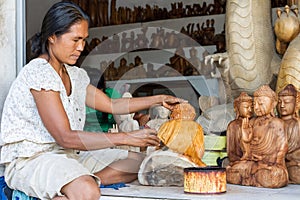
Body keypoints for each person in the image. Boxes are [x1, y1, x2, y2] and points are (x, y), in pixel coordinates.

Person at [0, 2, 185, 200]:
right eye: (75, 40)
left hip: (67, 156)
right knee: (87, 191)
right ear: (52, 37)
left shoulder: (74, 75)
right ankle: (74, 184)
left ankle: (79, 180)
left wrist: (158, 99)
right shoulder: (39, 72)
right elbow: (65, 137)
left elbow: (112, 105)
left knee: (140, 163)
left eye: (84, 40)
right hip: (33, 159)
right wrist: (126, 137)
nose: (81, 47)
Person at [226, 85, 288, 188]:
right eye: (255, 104)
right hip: (252, 163)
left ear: (273, 104)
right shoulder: (251, 122)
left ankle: (252, 178)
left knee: (275, 176)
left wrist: (270, 161)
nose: (256, 108)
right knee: (233, 169)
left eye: (261, 104)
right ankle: (253, 178)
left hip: (269, 165)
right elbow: (246, 153)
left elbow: (282, 148)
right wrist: (245, 140)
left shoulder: (277, 123)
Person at [277, 84, 300, 184]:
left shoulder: (297, 124)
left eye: (286, 102)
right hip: (276, 161)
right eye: (279, 102)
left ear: (296, 104)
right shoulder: (274, 123)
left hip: (292, 163)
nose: (282, 105)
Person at [226, 92, 253, 165]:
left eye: (251, 107)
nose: (250, 110)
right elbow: (231, 151)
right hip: (238, 160)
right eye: (246, 107)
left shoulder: (254, 124)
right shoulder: (233, 125)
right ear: (237, 109)